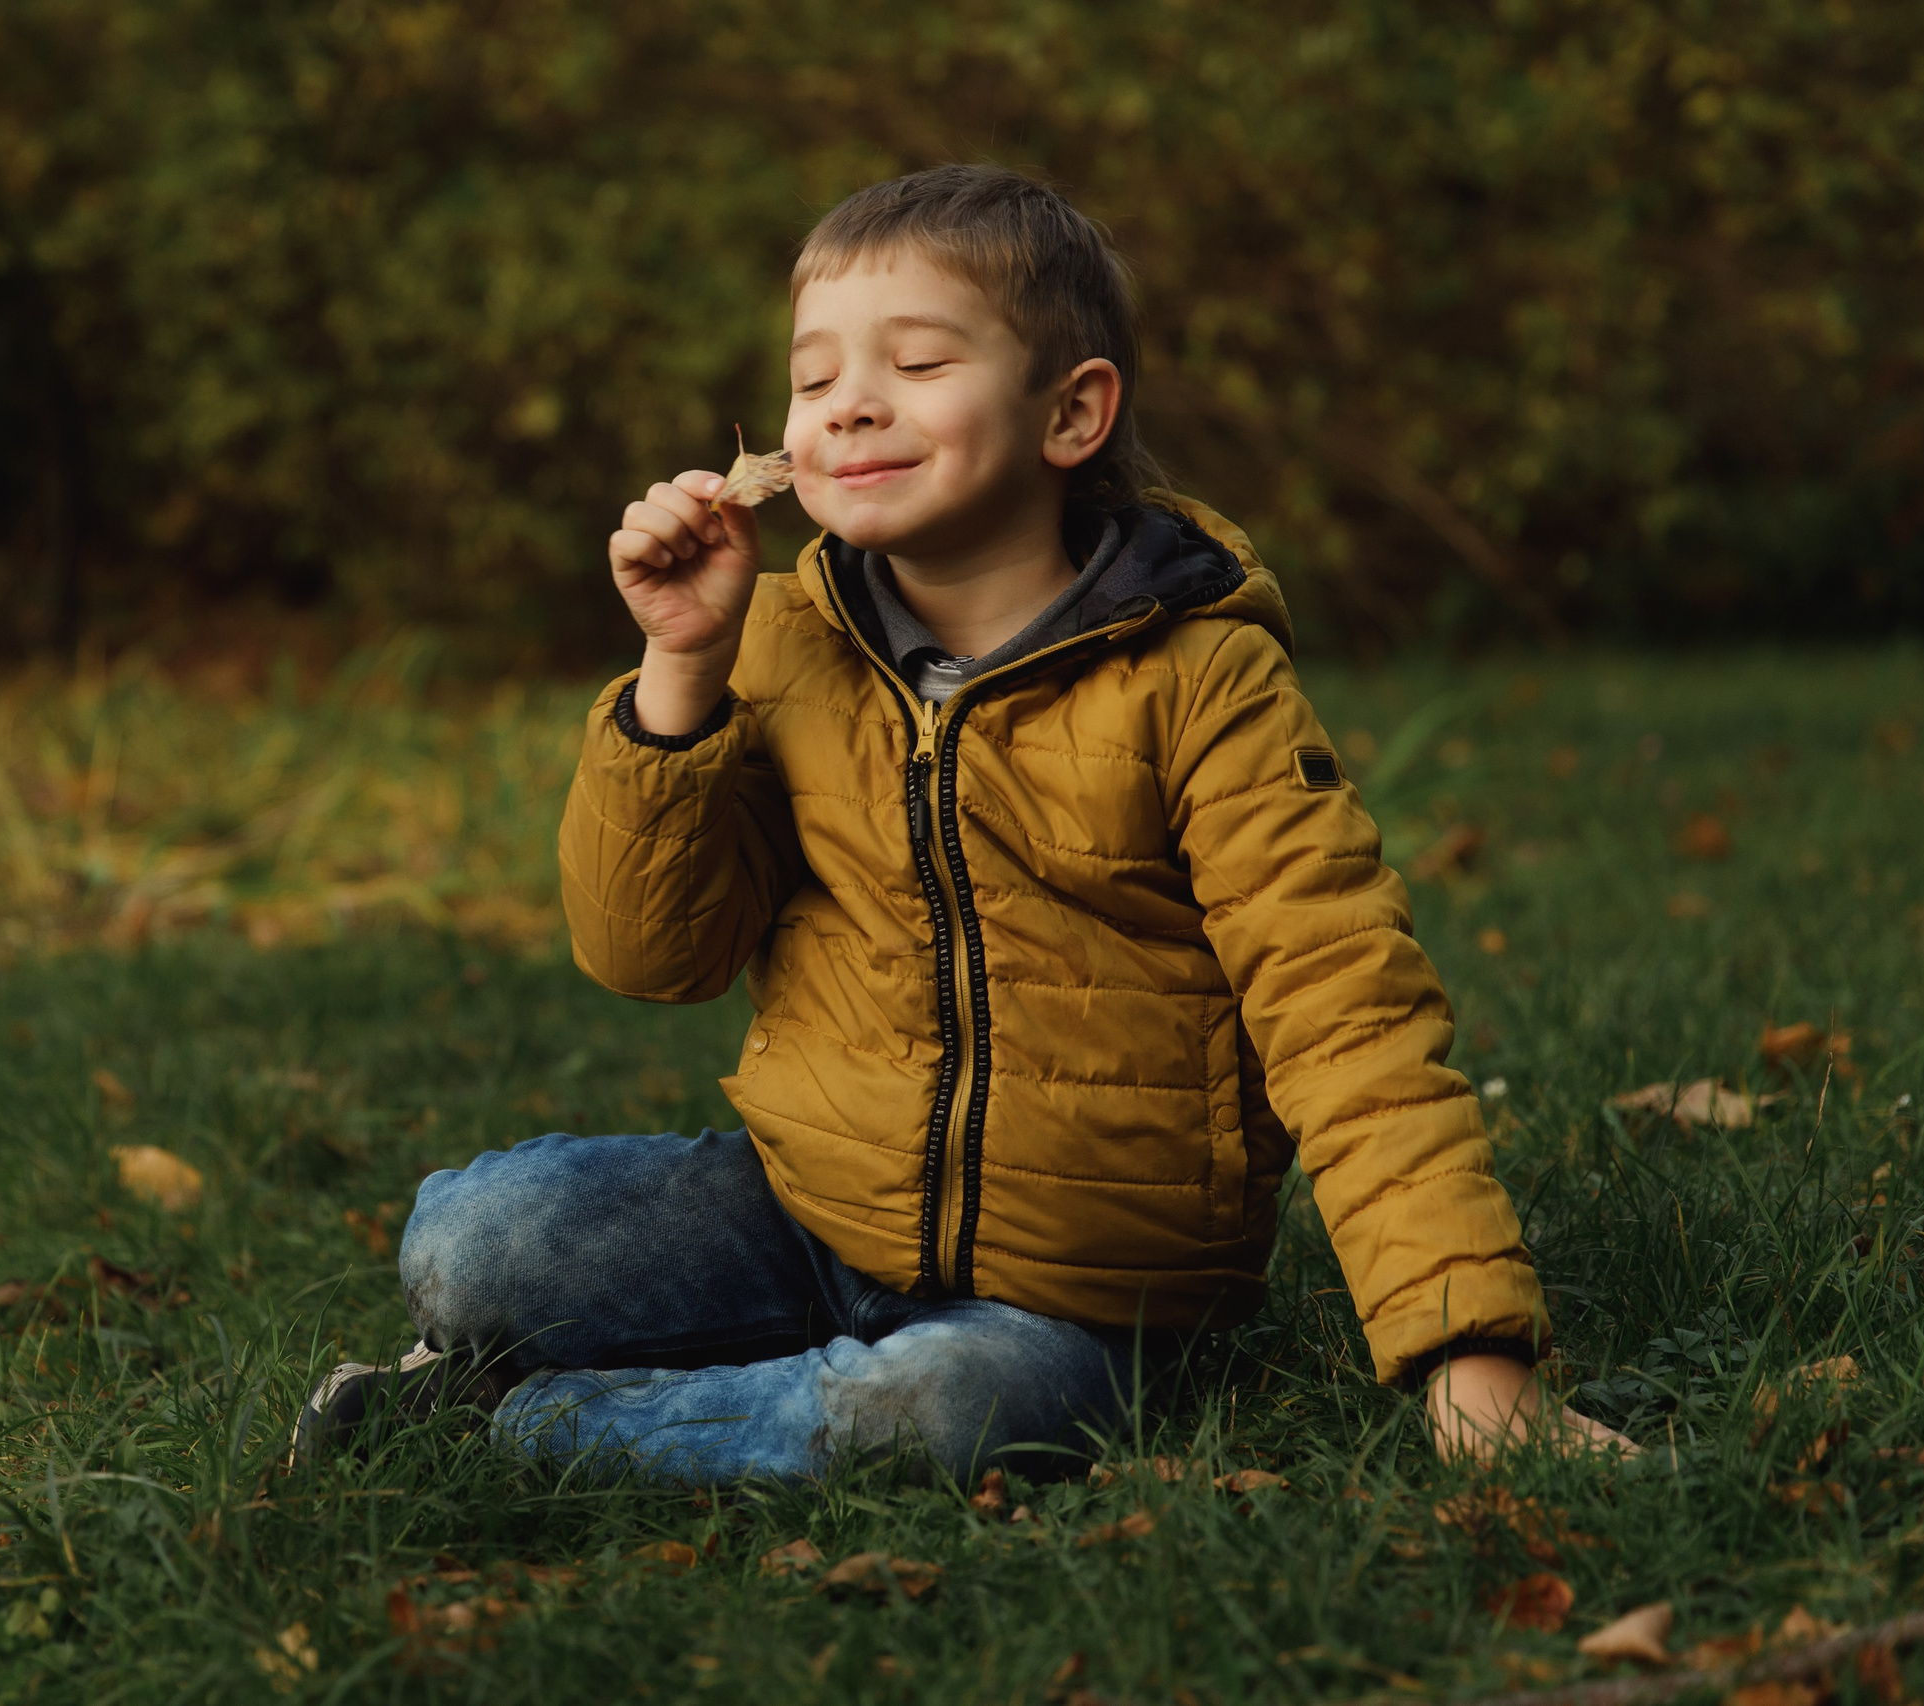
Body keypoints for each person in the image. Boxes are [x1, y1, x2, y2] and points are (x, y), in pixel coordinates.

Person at [293, 164, 1631, 1482]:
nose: (850, 405)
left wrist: (1473, 1360)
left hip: (1076, 1288)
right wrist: (681, 674)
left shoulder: (1199, 679)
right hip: (812, 1210)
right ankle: (639, 1370)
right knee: (473, 1238)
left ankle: (520, 1425)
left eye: (919, 363)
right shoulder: (781, 646)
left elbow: (1347, 1014)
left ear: (1072, 413)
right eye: (814, 380)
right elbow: (650, 955)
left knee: (943, 1406)